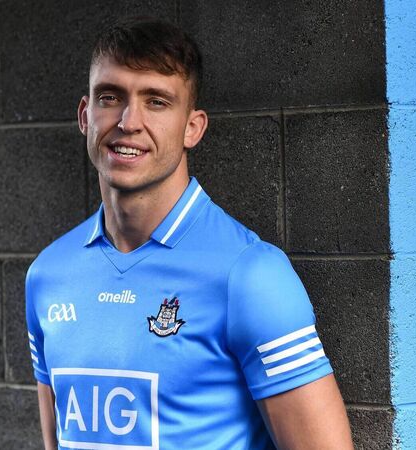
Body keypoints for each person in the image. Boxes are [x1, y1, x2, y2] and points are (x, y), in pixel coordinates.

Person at [25, 17, 353, 450]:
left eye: (157, 102)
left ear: (192, 127)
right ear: (86, 115)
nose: (129, 121)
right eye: (110, 97)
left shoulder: (250, 275)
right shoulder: (47, 275)